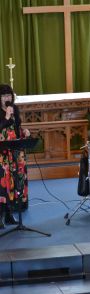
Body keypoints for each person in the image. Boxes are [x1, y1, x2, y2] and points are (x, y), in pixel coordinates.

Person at [0, 84, 31, 229]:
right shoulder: (4, 112)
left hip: (15, 153)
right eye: (4, 96)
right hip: (2, 155)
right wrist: (6, 116)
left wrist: (23, 131)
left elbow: (16, 128)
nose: (7, 98)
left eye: (9, 95)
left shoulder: (15, 110)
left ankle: (9, 213)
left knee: (14, 183)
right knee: (3, 184)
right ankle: (1, 215)